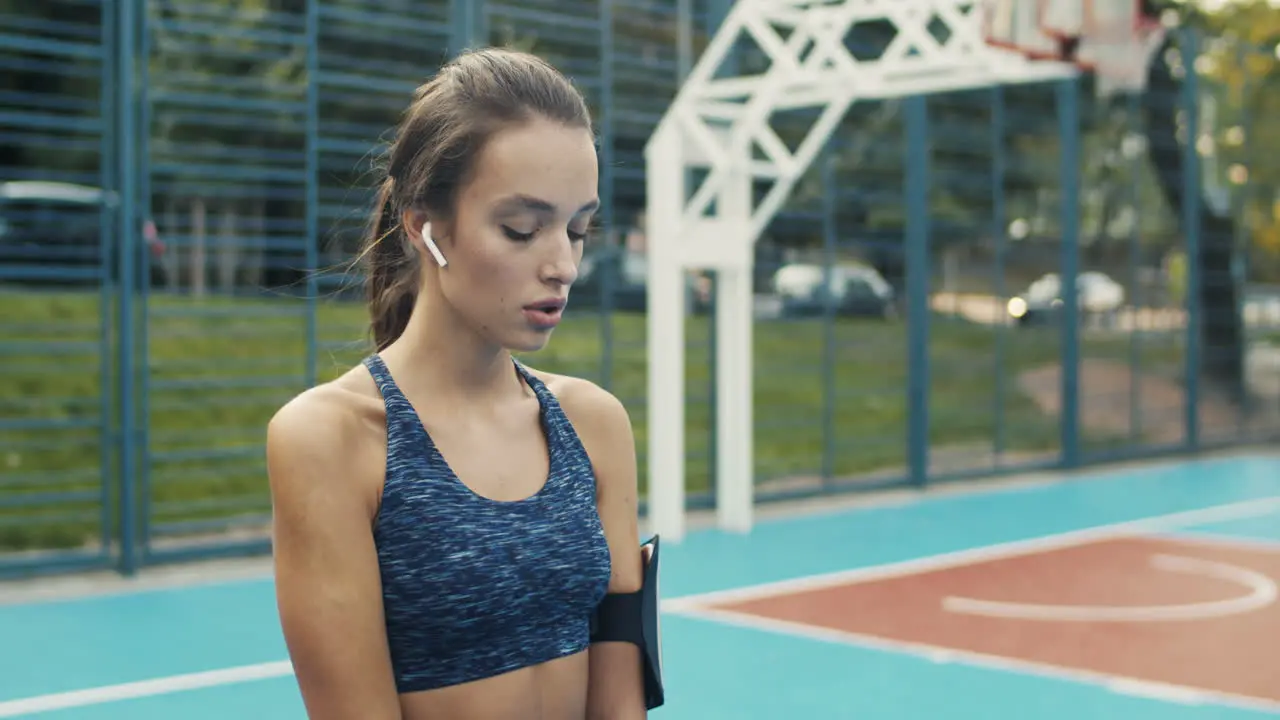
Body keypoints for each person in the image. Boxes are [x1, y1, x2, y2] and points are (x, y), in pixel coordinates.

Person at [266, 47, 660, 720]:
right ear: (427, 229)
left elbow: (620, 702)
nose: (563, 264)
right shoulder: (331, 440)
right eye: (521, 229)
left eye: (578, 229)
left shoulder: (594, 423)